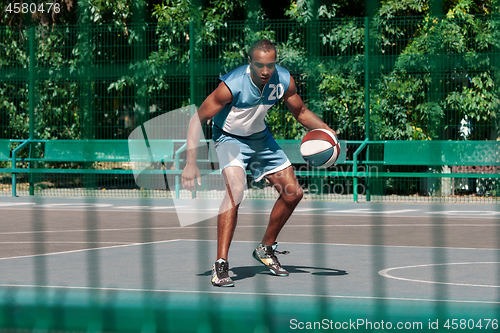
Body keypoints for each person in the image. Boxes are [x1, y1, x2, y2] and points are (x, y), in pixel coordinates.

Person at [181, 40, 336, 287]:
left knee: (293, 193)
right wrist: (190, 163)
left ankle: (265, 248)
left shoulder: (283, 80)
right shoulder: (230, 86)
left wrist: (329, 133)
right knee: (236, 191)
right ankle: (220, 264)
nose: (265, 71)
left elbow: (302, 112)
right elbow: (196, 119)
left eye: (271, 65)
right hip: (229, 138)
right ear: (250, 63)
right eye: (260, 65)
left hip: (261, 139)